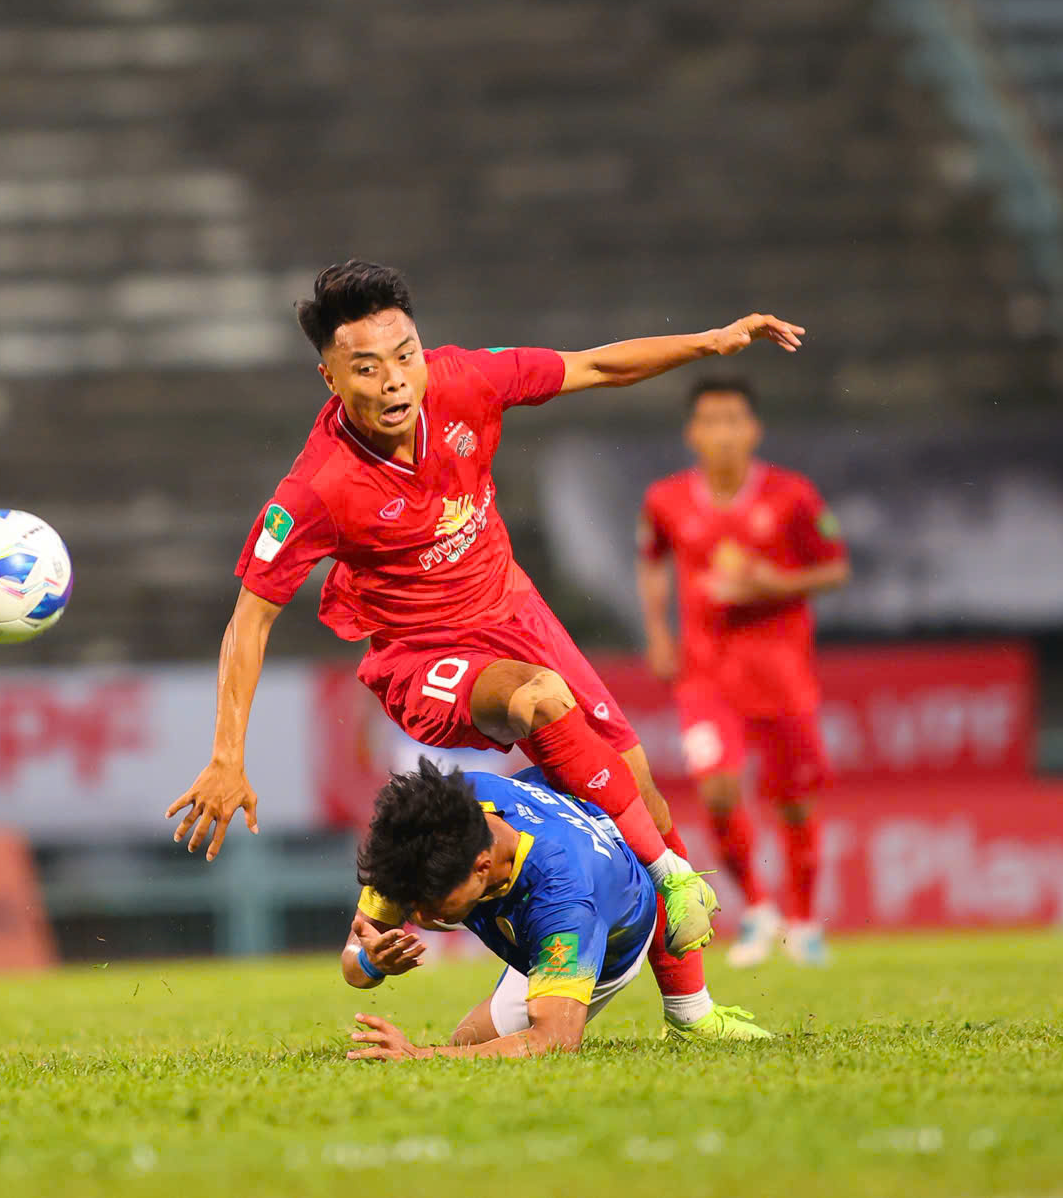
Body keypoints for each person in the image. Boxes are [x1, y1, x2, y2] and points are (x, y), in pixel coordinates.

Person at [167, 259, 803, 1043]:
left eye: (405, 354)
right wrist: (227, 756)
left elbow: (595, 366)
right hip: (420, 654)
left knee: (643, 796)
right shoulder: (316, 490)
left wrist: (710, 342)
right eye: (366, 367)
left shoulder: (464, 382)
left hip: (514, 612)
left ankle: (691, 1014)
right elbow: (250, 620)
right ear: (329, 377)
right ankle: (671, 873)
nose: (394, 380)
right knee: (539, 700)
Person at [340, 760, 773, 1060]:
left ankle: (691, 1012)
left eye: (430, 906)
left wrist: (420, 1056)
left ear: (482, 867)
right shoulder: (427, 826)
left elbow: (555, 1040)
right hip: (562, 843)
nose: (418, 918)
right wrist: (371, 961)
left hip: (612, 933)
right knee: (470, 1047)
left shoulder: (566, 904)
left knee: (466, 1046)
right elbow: (353, 966)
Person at [637, 377, 849, 967]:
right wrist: (657, 632)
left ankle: (804, 922)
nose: (723, 433)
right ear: (693, 433)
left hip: (781, 673)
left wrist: (773, 584)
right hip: (705, 675)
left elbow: (834, 569)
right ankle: (757, 909)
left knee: (795, 801)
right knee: (717, 787)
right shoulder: (666, 500)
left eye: (734, 420)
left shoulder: (792, 496)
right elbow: (651, 561)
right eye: (711, 421)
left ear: (753, 430)